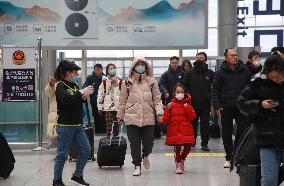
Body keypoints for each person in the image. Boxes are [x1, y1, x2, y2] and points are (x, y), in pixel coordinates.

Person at [238, 55, 284, 186]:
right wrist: (260, 104)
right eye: (272, 77)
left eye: (279, 77)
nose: (276, 80)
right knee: (268, 179)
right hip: (266, 136)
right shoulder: (257, 82)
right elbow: (242, 103)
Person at [117, 57, 163, 176]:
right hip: (131, 117)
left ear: (146, 67)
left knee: (149, 142)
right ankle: (137, 165)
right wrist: (119, 116)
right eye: (138, 64)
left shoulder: (152, 82)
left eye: (143, 64)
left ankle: (145, 155)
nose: (140, 66)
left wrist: (159, 113)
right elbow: (122, 101)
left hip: (148, 116)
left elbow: (157, 99)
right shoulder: (127, 83)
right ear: (133, 66)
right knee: (134, 143)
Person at [52, 60, 94, 186]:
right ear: (67, 73)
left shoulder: (74, 85)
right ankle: (57, 180)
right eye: (74, 72)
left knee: (86, 150)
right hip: (65, 126)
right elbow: (66, 101)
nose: (76, 74)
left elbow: (76, 101)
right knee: (62, 155)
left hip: (77, 125)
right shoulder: (60, 85)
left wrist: (84, 96)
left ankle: (77, 175)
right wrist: (81, 93)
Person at [211, 48, 251, 168]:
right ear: (226, 57)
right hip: (225, 107)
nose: (235, 57)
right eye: (232, 55)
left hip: (242, 106)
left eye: (236, 55)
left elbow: (251, 87)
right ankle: (228, 156)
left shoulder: (245, 70)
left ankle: (237, 154)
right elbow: (215, 90)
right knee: (227, 133)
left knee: (243, 130)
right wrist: (217, 106)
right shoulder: (220, 72)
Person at [162, 84, 196, 174]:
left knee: (188, 147)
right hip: (175, 129)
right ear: (174, 93)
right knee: (177, 147)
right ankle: (178, 163)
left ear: (184, 93)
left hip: (186, 130)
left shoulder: (187, 104)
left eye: (181, 92)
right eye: (178, 92)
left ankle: (181, 159)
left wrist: (187, 108)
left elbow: (192, 117)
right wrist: (167, 109)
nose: (180, 94)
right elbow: (165, 120)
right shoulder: (170, 105)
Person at [184, 52, 214, 151]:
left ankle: (204, 143)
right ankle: (192, 141)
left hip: (205, 103)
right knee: (193, 123)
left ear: (205, 59)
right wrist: (189, 95)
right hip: (193, 103)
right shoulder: (190, 72)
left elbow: (214, 86)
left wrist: (209, 96)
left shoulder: (210, 73)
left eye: (201, 57)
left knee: (205, 124)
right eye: (197, 57)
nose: (199, 59)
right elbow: (186, 85)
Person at [97, 63, 121, 136]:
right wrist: (99, 107)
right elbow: (100, 95)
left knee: (116, 127)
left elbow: (123, 95)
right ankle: (109, 144)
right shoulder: (104, 82)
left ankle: (115, 144)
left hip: (117, 107)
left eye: (113, 68)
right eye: (110, 69)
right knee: (109, 127)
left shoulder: (120, 81)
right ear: (107, 70)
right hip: (108, 107)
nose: (112, 70)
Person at [83, 64, 105, 133]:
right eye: (96, 69)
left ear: (102, 70)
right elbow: (85, 86)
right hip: (94, 101)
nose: (97, 71)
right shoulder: (90, 78)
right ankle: (98, 132)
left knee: (104, 117)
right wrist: (87, 89)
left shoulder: (105, 78)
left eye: (99, 69)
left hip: (105, 102)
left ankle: (105, 133)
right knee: (96, 117)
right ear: (94, 70)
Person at [45, 76, 58, 149]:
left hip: (68, 112)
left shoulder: (72, 84)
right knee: (58, 133)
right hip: (56, 112)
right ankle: (60, 153)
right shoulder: (55, 84)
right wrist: (51, 84)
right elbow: (48, 93)